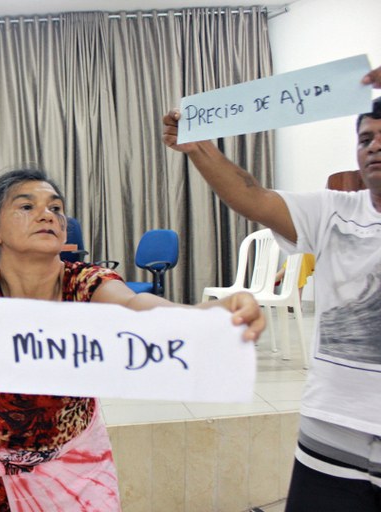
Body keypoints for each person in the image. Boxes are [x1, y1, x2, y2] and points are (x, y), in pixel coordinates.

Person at [0, 169, 265, 511]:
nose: (48, 214)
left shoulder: (86, 282)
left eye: (56, 208)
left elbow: (135, 305)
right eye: (27, 206)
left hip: (76, 463)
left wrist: (205, 314)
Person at [162, 68, 381, 511]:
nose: (374, 146)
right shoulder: (334, 210)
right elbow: (251, 196)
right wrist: (200, 149)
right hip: (333, 428)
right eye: (365, 139)